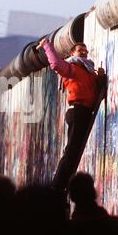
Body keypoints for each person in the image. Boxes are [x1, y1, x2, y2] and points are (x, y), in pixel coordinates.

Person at [37, 39, 105, 193]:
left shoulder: (88, 71)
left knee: (74, 152)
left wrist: (100, 77)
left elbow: (95, 91)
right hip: (78, 110)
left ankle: (63, 185)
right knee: (71, 152)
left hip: (85, 111)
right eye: (80, 50)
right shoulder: (72, 67)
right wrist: (47, 46)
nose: (84, 52)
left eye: (85, 50)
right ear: (72, 54)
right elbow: (55, 64)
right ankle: (57, 187)